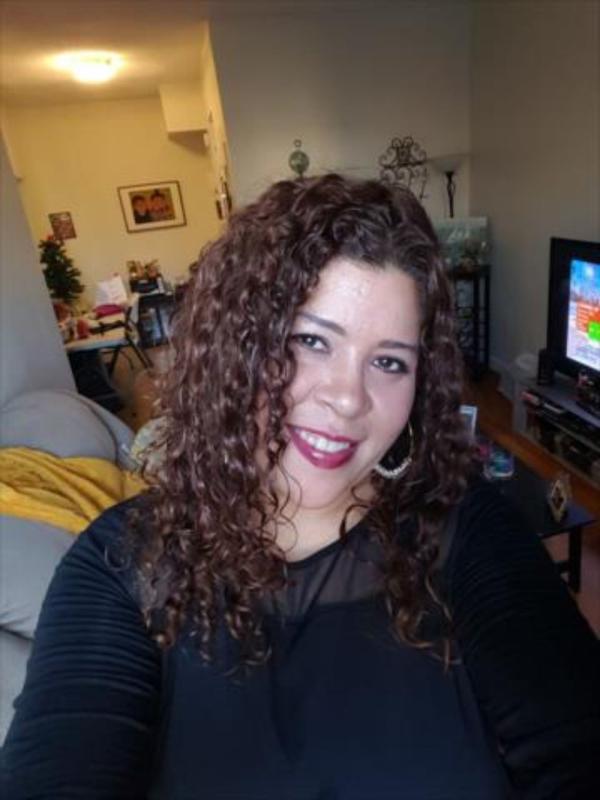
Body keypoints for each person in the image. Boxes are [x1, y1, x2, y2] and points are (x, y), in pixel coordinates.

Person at [2, 175, 599, 799]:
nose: (348, 398)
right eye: (311, 341)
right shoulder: (120, 565)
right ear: (235, 345)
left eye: (389, 361)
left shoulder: (471, 534)